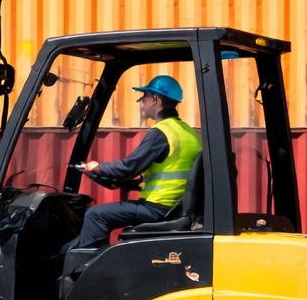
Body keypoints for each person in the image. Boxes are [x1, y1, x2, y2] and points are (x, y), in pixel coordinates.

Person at [59, 74, 203, 255]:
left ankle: (84, 270)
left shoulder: (161, 132)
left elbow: (128, 167)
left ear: (156, 99)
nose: (141, 102)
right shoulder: (188, 132)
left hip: (158, 208)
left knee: (95, 215)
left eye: (144, 97)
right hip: (176, 206)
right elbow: (170, 169)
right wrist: (135, 182)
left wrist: (96, 167)